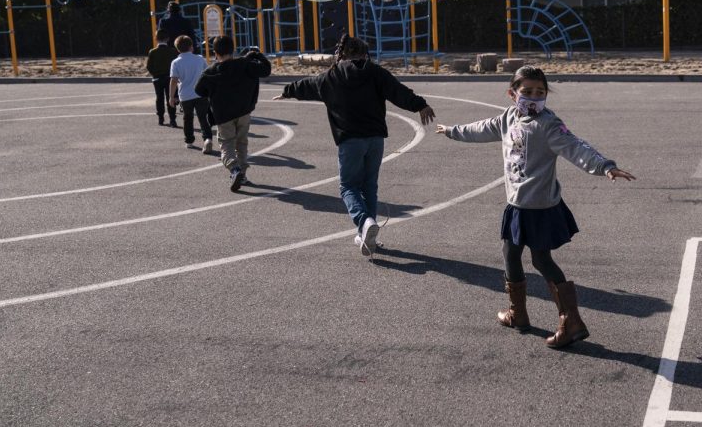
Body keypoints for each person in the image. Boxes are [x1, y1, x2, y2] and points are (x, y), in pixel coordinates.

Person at [436, 66, 635, 349]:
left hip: (538, 206)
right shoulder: (509, 118)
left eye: (539, 93)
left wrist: (605, 167)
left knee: (540, 260)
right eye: (526, 92)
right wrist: (453, 131)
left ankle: (571, 320)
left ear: (546, 96)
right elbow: (483, 128)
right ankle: (519, 314)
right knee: (511, 253)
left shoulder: (548, 125)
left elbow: (576, 147)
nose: (533, 97)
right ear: (512, 94)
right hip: (518, 203)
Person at [273, 35, 436, 255]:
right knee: (369, 186)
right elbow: (397, 91)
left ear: (342, 54)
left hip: (350, 141)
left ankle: (364, 222)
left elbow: (307, 85)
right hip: (375, 139)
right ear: (363, 53)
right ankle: (368, 237)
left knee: (348, 187)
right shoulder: (375, 72)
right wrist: (420, 105)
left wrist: (287, 92)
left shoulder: (331, 77)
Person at [194, 35, 271, 192]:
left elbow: (199, 90)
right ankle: (242, 173)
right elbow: (266, 70)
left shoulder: (210, 72)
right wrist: (256, 54)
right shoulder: (245, 64)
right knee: (241, 142)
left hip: (223, 115)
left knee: (226, 144)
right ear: (233, 50)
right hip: (244, 111)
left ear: (215, 53)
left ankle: (234, 169)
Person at [168, 35, 215, 153]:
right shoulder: (200, 59)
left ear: (177, 49)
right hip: (201, 93)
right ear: (191, 47)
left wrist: (171, 97)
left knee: (187, 118)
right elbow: (207, 75)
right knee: (203, 117)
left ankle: (189, 140)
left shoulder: (176, 62)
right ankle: (207, 138)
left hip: (185, 94)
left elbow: (173, 80)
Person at [145, 28, 178, 127]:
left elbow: (149, 66)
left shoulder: (152, 52)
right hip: (169, 77)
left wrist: (154, 73)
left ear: (156, 39)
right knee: (170, 97)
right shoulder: (172, 51)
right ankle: (172, 119)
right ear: (167, 39)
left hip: (157, 78)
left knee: (159, 98)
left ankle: (160, 118)